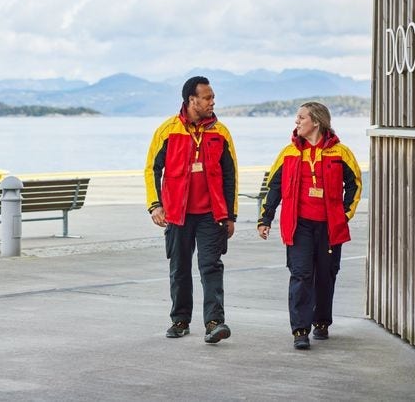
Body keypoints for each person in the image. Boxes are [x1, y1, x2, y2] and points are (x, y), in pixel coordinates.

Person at [257, 101, 362, 350]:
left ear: (316, 121)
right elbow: (274, 188)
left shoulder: (340, 152)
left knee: (326, 276)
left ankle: (322, 322)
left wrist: (344, 215)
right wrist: (265, 219)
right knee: (301, 275)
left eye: (301, 117)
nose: (297, 122)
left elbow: (355, 184)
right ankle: (300, 330)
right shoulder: (289, 153)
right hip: (299, 225)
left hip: (328, 227)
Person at [144, 75, 238, 344]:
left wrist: (230, 215)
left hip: (211, 214)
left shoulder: (220, 132)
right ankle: (180, 320)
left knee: (211, 266)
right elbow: (152, 169)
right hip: (177, 213)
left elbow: (231, 175)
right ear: (191, 100)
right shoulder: (168, 130)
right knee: (180, 268)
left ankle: (214, 323)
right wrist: (155, 205)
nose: (212, 102)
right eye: (207, 97)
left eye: (213, 97)